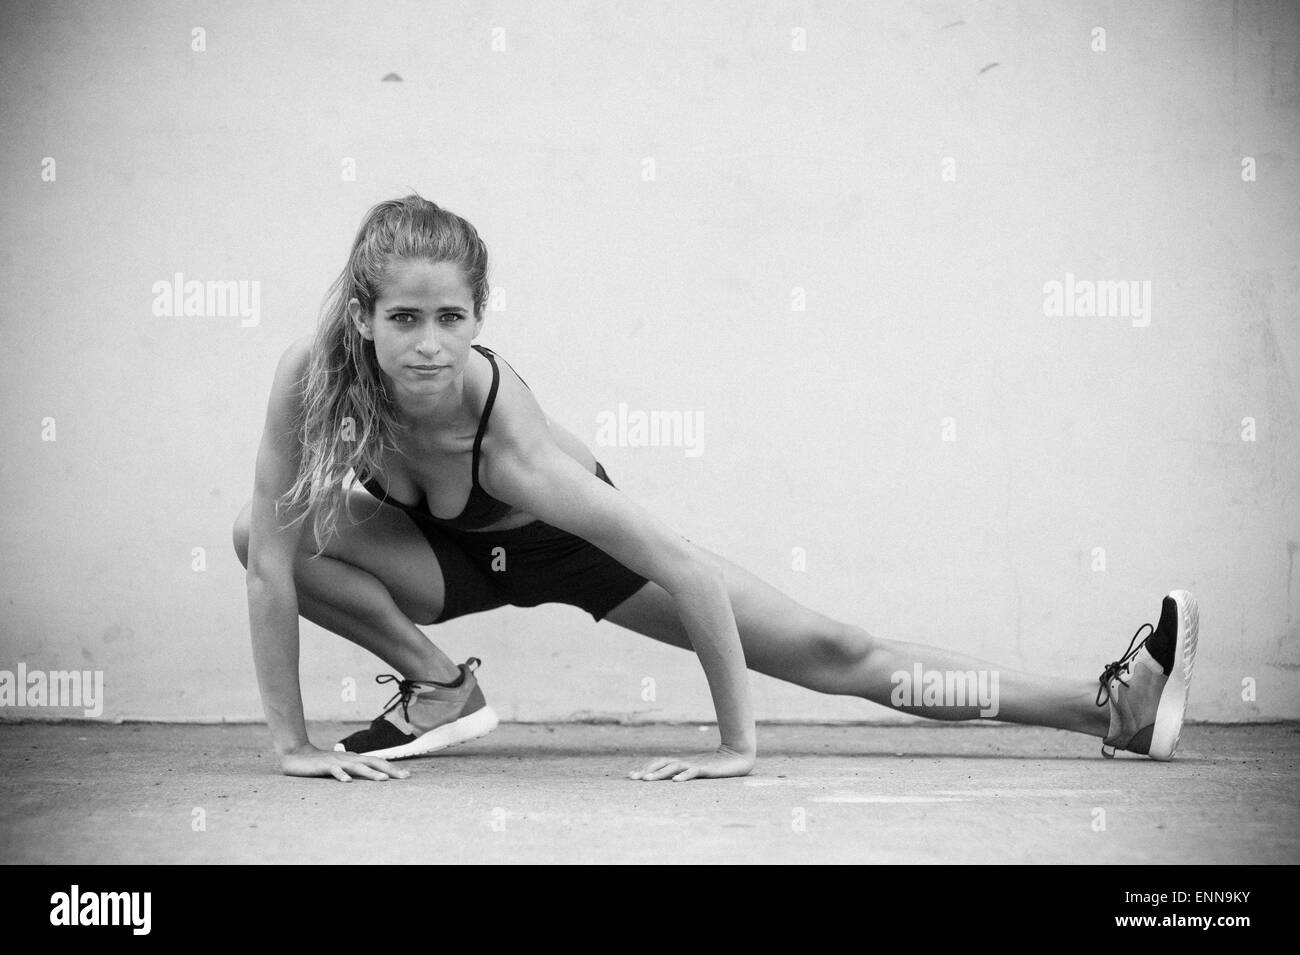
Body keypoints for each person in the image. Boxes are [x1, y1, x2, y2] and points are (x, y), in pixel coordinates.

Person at [232, 194, 1200, 783]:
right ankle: (438, 689)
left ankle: (1102, 707)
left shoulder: (508, 442)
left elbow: (682, 571)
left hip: (573, 549)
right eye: (405, 316)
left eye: (452, 316)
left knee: (832, 648)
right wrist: (291, 744)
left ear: (477, 314)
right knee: (254, 529)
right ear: (362, 313)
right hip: (439, 559)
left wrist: (737, 743)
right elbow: (273, 567)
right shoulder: (309, 380)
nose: (431, 343)